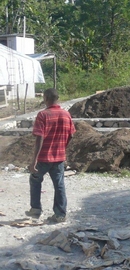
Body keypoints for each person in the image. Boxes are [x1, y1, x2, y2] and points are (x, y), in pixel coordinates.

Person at [25, 88, 76, 223]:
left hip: (43, 158)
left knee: (35, 180)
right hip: (59, 157)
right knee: (59, 185)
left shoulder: (43, 115)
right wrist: (63, 147)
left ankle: (35, 209)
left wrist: (34, 160)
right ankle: (60, 214)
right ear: (57, 98)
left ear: (46, 98)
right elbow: (71, 134)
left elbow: (39, 138)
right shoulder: (66, 115)